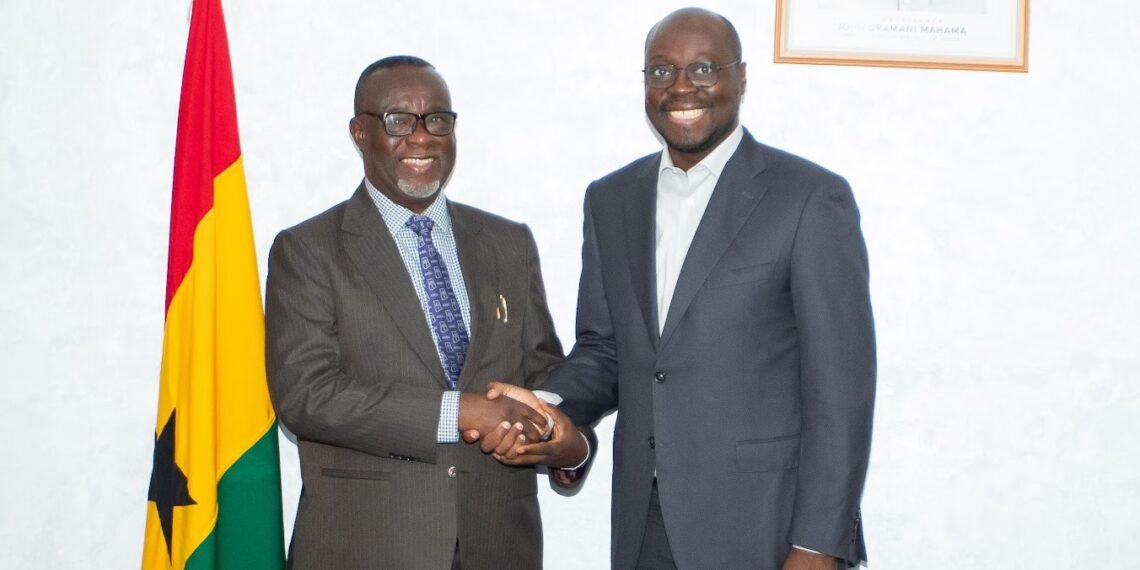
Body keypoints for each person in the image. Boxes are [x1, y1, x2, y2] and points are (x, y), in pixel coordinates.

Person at [483, 8, 876, 569]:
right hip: (645, 526)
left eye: (703, 68)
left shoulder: (809, 199)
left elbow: (841, 393)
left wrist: (818, 543)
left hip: (765, 527)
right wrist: (543, 408)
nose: (681, 87)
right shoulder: (612, 199)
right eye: (661, 72)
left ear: (740, 78)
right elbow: (605, 349)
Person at [264, 55, 563, 570]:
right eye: (398, 121)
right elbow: (307, 396)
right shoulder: (309, 250)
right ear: (360, 132)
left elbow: (543, 372)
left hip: (498, 546)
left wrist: (559, 438)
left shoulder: (508, 243)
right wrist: (461, 411)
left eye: (437, 119)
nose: (421, 137)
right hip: (365, 547)